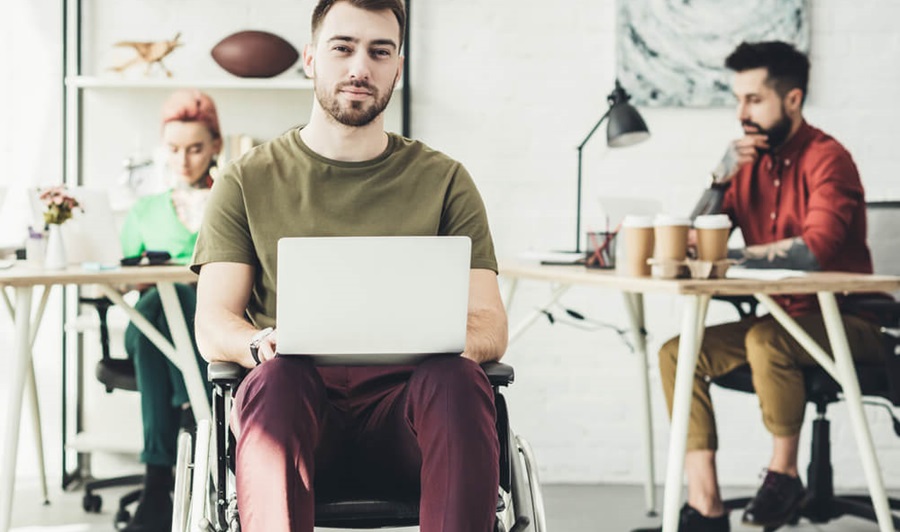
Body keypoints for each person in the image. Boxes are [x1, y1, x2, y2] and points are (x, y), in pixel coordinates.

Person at [190, 1, 508, 531]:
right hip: (298, 422)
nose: (360, 67)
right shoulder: (246, 179)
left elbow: (490, 325)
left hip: (408, 423)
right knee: (276, 377)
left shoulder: (445, 181)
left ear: (397, 69)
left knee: (457, 378)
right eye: (343, 48)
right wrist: (257, 345)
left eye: (379, 51)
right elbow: (213, 320)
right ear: (312, 58)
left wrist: (432, 338)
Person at [654, 41, 885, 532]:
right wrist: (719, 178)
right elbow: (694, 243)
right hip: (780, 319)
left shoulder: (829, 159)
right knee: (678, 353)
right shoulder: (747, 166)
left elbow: (813, 251)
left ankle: (785, 477)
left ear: (793, 99)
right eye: (738, 100)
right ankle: (707, 503)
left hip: (850, 323)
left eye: (754, 100)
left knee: (767, 339)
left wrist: (729, 255)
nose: (742, 114)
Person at [119, 89, 222, 532]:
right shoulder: (143, 210)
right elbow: (123, 281)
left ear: (216, 145)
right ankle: (190, 416)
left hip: (210, 328)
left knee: (176, 296)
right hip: (150, 326)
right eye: (175, 149)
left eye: (195, 148)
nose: (184, 160)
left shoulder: (231, 202)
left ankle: (156, 480)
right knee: (160, 300)